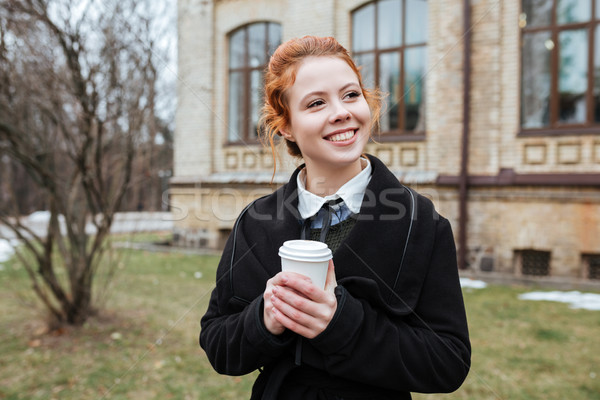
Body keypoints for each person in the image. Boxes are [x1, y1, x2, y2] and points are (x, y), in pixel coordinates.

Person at [200, 36, 471, 400]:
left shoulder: (419, 224)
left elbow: (448, 361)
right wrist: (264, 319)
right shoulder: (256, 222)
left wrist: (341, 324)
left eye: (350, 95)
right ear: (286, 126)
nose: (341, 111)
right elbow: (218, 344)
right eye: (316, 103)